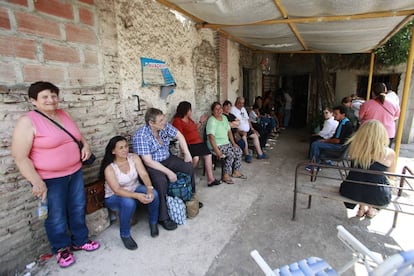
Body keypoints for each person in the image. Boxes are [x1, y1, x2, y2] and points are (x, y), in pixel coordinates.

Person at [11, 81, 100, 268]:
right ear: (33, 101)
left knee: (77, 206)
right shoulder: (28, 121)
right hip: (50, 178)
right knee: (55, 215)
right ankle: (61, 249)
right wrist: (37, 182)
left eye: (53, 95)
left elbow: (77, 135)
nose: (51, 100)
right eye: (45, 96)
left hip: (74, 171)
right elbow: (20, 157)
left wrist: (86, 145)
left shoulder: (62, 114)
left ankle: (80, 240)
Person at [132, 107, 199, 231]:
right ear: (151, 123)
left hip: (167, 158)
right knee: (161, 181)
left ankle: (189, 199)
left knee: (188, 167)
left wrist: (187, 153)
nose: (164, 122)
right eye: (161, 120)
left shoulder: (164, 127)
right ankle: (163, 217)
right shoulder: (141, 135)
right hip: (153, 165)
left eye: (163, 119)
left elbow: (179, 135)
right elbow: (148, 161)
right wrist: (169, 173)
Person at [99, 136, 160, 250]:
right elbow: (117, 189)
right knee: (129, 203)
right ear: (113, 151)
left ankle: (153, 223)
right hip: (114, 196)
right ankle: (125, 234)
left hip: (134, 188)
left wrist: (149, 189)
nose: (125, 150)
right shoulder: (109, 167)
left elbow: (144, 174)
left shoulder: (133, 157)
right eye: (120, 148)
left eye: (126, 146)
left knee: (154, 194)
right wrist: (137, 196)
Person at [340, 120, 395, 218]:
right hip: (377, 195)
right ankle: (371, 209)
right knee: (375, 182)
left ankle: (361, 208)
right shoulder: (389, 153)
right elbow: (391, 176)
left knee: (361, 179)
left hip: (351, 191)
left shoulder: (354, 149)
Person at [172, 101, 221, 187]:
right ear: (185, 110)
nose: (191, 111)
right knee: (196, 158)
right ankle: (188, 175)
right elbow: (178, 136)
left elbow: (194, 128)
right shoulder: (177, 121)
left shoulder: (189, 119)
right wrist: (183, 149)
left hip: (198, 142)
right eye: (190, 110)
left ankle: (211, 179)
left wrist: (201, 122)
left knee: (208, 155)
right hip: (189, 144)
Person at [206, 102, 245, 184]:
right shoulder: (211, 120)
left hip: (226, 144)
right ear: (212, 111)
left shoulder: (224, 117)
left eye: (220, 108)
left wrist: (233, 143)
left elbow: (229, 131)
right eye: (216, 109)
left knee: (238, 150)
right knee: (230, 154)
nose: (219, 110)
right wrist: (217, 152)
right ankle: (225, 175)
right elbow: (211, 138)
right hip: (217, 145)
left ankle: (235, 172)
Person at [307, 105, 353, 171]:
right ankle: (325, 161)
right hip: (342, 146)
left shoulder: (343, 124)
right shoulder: (344, 122)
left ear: (343, 114)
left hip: (340, 148)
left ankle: (315, 165)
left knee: (316, 144)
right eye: (333, 113)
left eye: (336, 114)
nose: (334, 115)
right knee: (318, 142)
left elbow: (337, 141)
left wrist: (325, 141)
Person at [359, 82, 400, 147]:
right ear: (386, 91)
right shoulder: (393, 104)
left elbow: (360, 117)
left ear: (372, 92)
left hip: (370, 133)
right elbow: (396, 116)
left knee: (369, 154)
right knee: (384, 154)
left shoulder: (367, 104)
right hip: (388, 133)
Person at [231, 96, 267, 163]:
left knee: (255, 135)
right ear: (237, 102)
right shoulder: (233, 110)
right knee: (244, 137)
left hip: (247, 129)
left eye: (243, 103)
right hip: (239, 131)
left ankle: (260, 154)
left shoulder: (243, 109)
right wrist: (240, 131)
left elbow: (248, 119)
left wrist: (252, 128)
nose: (241, 105)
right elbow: (233, 124)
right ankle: (247, 155)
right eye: (240, 103)